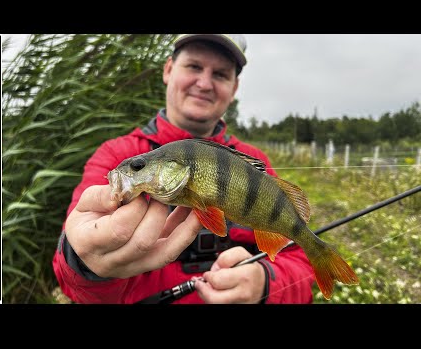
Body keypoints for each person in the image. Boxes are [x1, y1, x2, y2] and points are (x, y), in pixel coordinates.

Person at [52, 34, 315, 304]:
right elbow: (71, 281)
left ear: (234, 88)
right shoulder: (115, 154)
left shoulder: (253, 160)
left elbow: (300, 267)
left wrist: (267, 281)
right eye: (194, 66)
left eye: (221, 74)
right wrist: (82, 260)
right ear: (168, 70)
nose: (204, 83)